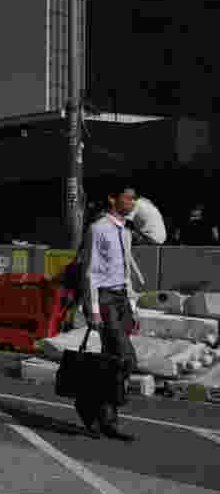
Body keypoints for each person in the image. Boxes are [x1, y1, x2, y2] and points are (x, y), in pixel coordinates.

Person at [77, 183, 140, 442]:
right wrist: (93, 311)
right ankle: (90, 404)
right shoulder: (98, 229)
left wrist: (132, 306)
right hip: (103, 298)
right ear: (112, 199)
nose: (132, 203)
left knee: (113, 361)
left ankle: (104, 418)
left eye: (134, 199)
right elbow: (90, 271)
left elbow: (125, 271)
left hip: (122, 299)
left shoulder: (125, 231)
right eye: (127, 198)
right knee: (126, 359)